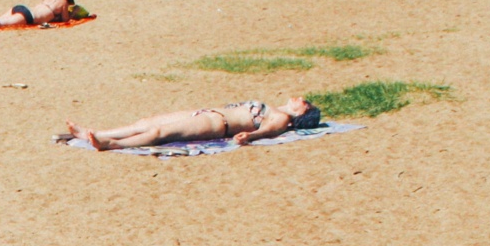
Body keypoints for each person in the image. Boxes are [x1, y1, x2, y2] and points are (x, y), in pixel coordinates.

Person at [63, 96, 323, 150]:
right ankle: (93, 133)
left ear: (303, 113)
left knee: (158, 132)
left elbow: (269, 130)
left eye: (304, 101)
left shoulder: (283, 118)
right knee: (146, 121)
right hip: (208, 113)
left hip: (217, 124)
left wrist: (250, 137)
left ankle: (109, 144)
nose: (300, 98)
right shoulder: (278, 110)